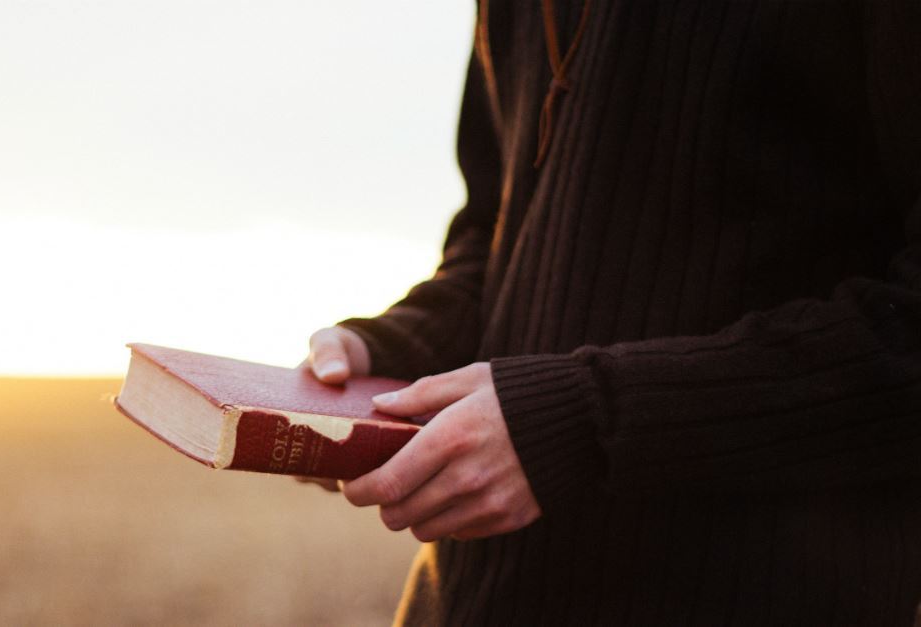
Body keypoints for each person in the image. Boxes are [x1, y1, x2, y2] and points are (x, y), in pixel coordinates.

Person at [299, 0, 921, 624]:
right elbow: (500, 234)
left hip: (749, 594)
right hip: (476, 599)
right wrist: (396, 349)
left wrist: (587, 421)